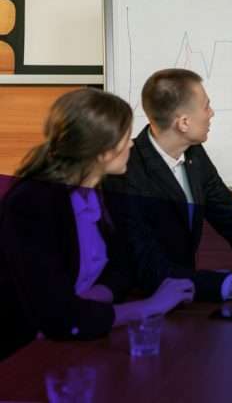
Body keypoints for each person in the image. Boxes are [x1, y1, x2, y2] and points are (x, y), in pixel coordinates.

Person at [0, 89, 194, 360]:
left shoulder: (104, 190)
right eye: (126, 138)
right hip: (23, 357)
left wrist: (96, 297)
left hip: (76, 343)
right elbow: (57, 317)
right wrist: (148, 307)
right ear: (102, 151)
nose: (131, 145)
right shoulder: (32, 204)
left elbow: (122, 268)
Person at [103, 68, 232, 303]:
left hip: (184, 297)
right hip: (141, 304)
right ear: (183, 122)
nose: (211, 113)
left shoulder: (194, 154)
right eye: (206, 106)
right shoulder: (125, 175)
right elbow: (149, 269)